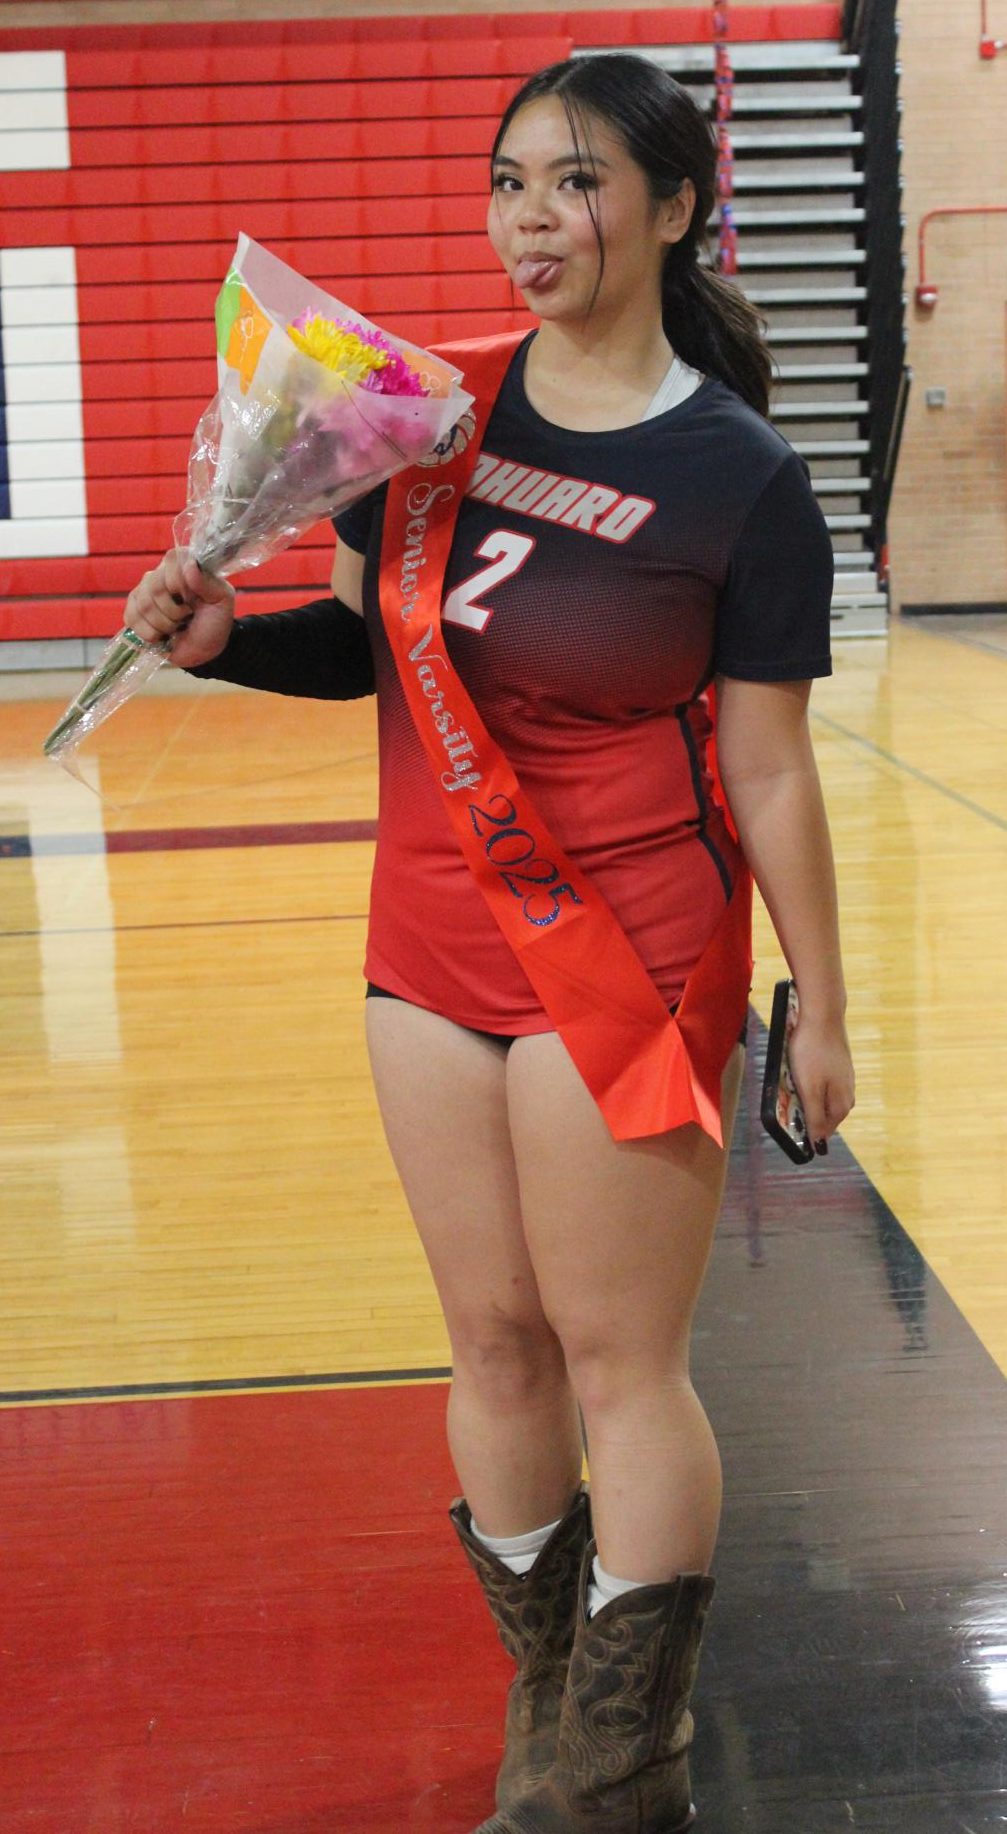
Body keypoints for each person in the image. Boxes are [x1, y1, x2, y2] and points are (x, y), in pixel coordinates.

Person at [125, 52, 855, 1834]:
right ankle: (554, 1688)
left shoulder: (741, 477)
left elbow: (767, 763)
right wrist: (224, 640)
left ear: (675, 208)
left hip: (634, 951)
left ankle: (618, 1759)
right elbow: (365, 647)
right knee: (495, 1343)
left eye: (579, 183)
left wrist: (824, 1008)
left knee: (621, 1363)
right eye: (510, 181)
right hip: (429, 948)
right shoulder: (423, 426)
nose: (535, 220)